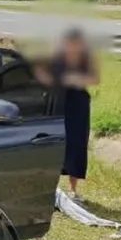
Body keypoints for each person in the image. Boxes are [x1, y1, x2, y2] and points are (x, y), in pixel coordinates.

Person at [51, 28, 100, 201]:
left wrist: (76, 79)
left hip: (78, 104)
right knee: (56, 143)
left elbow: (95, 78)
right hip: (58, 103)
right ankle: (52, 187)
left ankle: (73, 189)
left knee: (77, 144)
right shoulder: (56, 58)